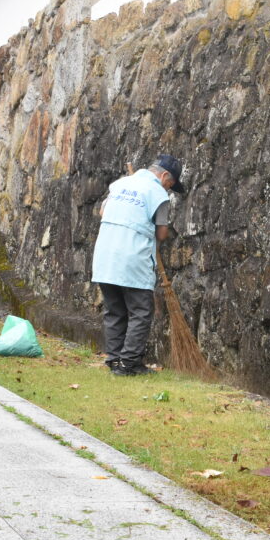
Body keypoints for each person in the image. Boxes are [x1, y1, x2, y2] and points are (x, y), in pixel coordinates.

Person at [91, 154, 185, 377]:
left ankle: (114, 360)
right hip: (132, 257)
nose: (169, 189)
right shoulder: (158, 194)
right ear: (164, 176)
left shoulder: (120, 184)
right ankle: (128, 364)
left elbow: (103, 212)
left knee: (115, 311)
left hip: (105, 255)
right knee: (141, 312)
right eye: (170, 184)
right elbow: (161, 233)